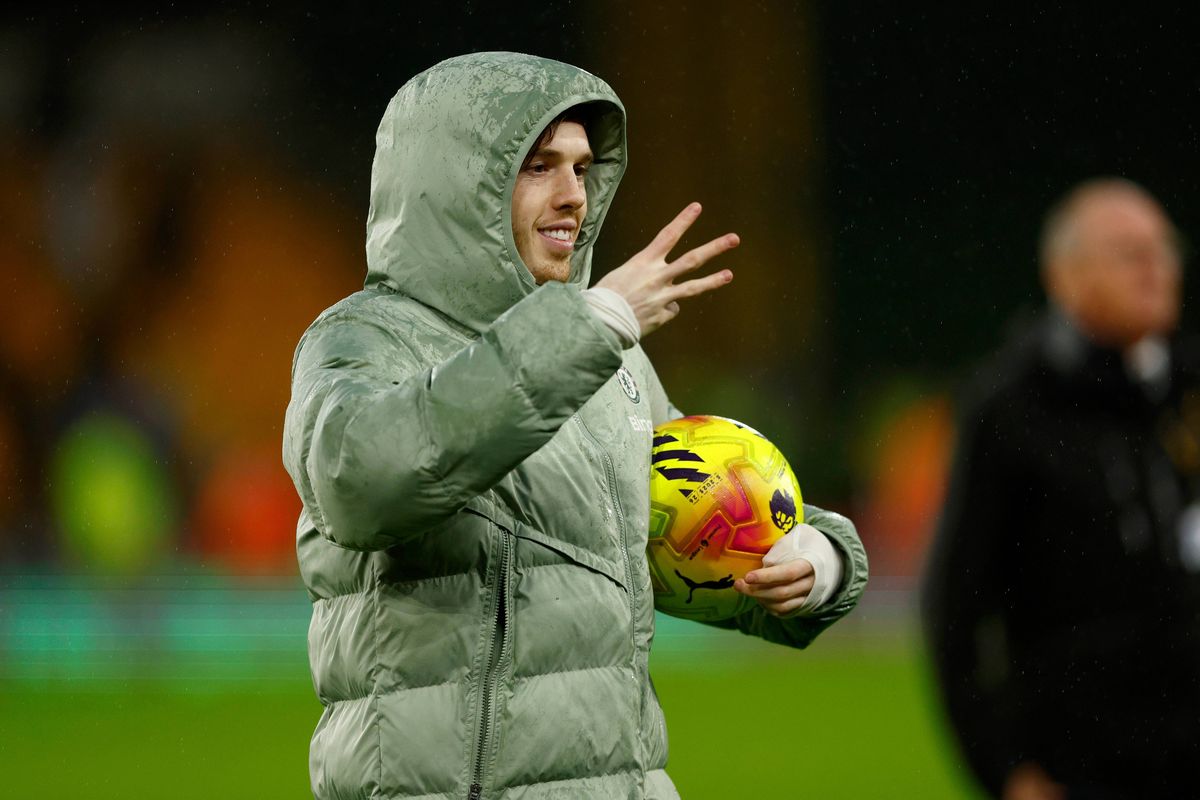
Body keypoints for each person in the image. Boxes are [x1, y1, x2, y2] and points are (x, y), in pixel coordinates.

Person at [283, 52, 868, 800]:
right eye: (537, 167)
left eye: (583, 169)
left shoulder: (605, 356)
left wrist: (815, 561)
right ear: (456, 181)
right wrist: (588, 329)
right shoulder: (363, 340)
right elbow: (360, 486)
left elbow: (701, 521)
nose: (574, 198)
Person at [923, 178, 1200, 799]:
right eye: (1130, 254)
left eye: (1165, 249)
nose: (1157, 269)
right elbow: (955, 611)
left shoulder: (1187, 388)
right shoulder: (1012, 410)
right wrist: (1006, 773)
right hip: (1081, 764)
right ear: (1065, 277)